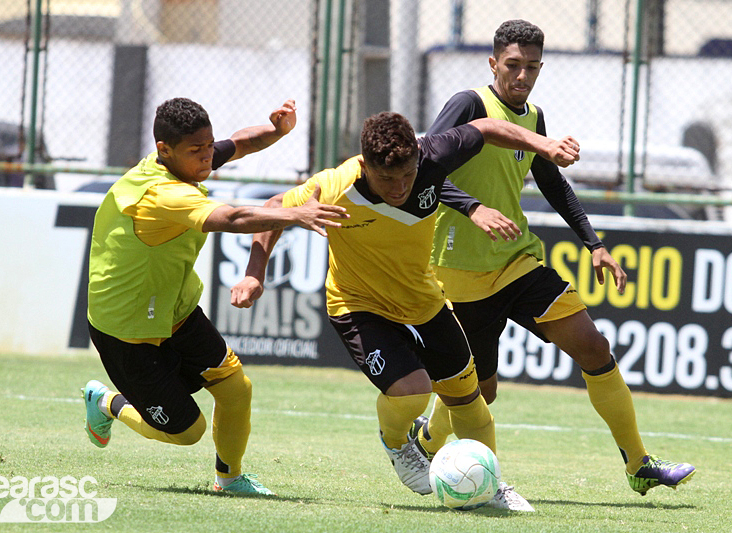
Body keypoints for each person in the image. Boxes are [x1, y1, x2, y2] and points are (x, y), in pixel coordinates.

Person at [231, 111, 577, 510]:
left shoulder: (431, 156)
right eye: (387, 179)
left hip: (423, 300)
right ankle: (397, 444)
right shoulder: (336, 184)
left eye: (407, 176)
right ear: (365, 165)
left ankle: (491, 485)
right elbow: (275, 207)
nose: (399, 188)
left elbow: (485, 129)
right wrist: (255, 273)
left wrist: (543, 145)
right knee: (413, 391)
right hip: (358, 304)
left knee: (469, 398)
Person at [417, 19, 696, 497]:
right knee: (480, 393)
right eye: (512, 65)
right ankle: (425, 439)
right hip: (459, 273)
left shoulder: (534, 116)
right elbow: (421, 169)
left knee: (594, 347)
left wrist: (596, 244)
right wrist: (473, 208)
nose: (522, 76)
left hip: (517, 262)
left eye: (531, 67)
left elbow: (552, 184)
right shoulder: (469, 104)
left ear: (541, 67)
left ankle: (638, 463)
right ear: (493, 64)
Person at [82, 97, 348, 496]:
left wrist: (276, 131)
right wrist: (295, 215)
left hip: (177, 313)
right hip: (126, 330)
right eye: (197, 151)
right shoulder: (160, 195)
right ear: (163, 150)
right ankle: (107, 402)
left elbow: (238, 143)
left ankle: (230, 478)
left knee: (236, 388)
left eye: (208, 146)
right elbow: (231, 218)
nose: (207, 157)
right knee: (187, 431)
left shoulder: (186, 159)